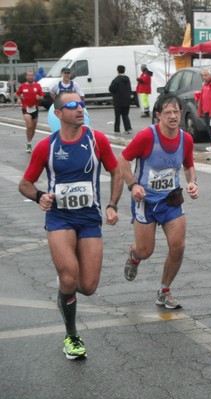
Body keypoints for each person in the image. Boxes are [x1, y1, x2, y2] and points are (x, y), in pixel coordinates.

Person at [18, 91, 123, 360]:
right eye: (73, 105)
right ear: (59, 113)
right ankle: (72, 335)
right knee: (68, 277)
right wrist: (40, 196)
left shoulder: (97, 140)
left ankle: (67, 288)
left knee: (87, 286)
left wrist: (112, 205)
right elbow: (25, 184)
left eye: (82, 105)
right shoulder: (47, 147)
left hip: (89, 219)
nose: (80, 109)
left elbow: (116, 171)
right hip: (59, 218)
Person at [118, 93, 199, 309]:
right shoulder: (146, 137)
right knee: (146, 251)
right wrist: (133, 185)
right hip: (146, 201)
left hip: (171, 200)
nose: (173, 116)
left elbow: (189, 165)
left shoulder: (186, 139)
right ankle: (134, 256)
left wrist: (192, 182)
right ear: (158, 116)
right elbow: (123, 159)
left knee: (178, 246)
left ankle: (164, 290)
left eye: (176, 111)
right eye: (168, 112)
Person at [48, 67, 88, 133]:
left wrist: (80, 104)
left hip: (71, 107)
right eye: (65, 73)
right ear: (62, 74)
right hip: (61, 107)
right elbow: (51, 92)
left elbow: (81, 95)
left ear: (70, 74)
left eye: (68, 73)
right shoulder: (57, 84)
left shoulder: (74, 84)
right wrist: (56, 100)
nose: (66, 75)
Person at [15, 71, 44, 153]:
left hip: (35, 108)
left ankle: (29, 142)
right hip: (26, 108)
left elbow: (42, 96)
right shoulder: (23, 86)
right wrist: (19, 99)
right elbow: (17, 94)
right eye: (29, 75)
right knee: (29, 125)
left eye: (32, 75)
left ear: (33, 77)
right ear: (26, 77)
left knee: (33, 128)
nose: (30, 77)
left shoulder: (37, 86)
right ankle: (29, 144)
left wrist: (39, 97)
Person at [109, 65, 133, 135]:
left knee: (117, 116)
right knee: (125, 115)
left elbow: (111, 89)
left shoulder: (116, 80)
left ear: (117, 70)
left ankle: (117, 130)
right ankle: (128, 129)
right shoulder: (127, 79)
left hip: (118, 101)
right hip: (126, 100)